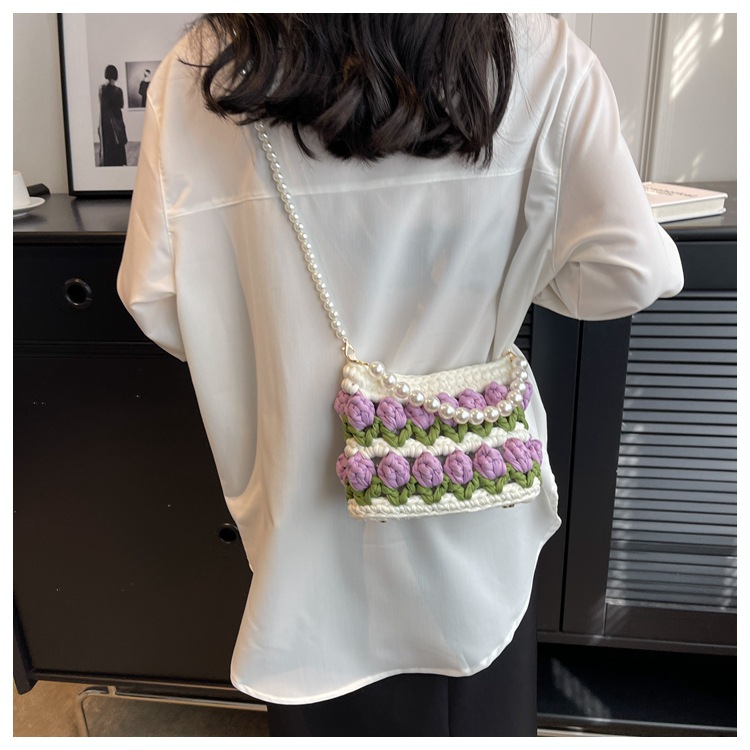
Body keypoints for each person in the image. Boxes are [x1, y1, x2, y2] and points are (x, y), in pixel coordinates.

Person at [117, 14, 684, 736]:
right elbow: (635, 270)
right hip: (474, 525)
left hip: (298, 543)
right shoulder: (535, 50)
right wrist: (512, 276)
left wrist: (267, 341)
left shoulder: (206, 67)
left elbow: (155, 300)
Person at [99, 64, 127, 166]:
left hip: (106, 122)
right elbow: (121, 105)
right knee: (118, 143)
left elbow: (102, 105)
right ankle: (119, 162)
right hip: (116, 120)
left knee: (108, 144)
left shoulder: (102, 89)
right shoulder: (118, 90)